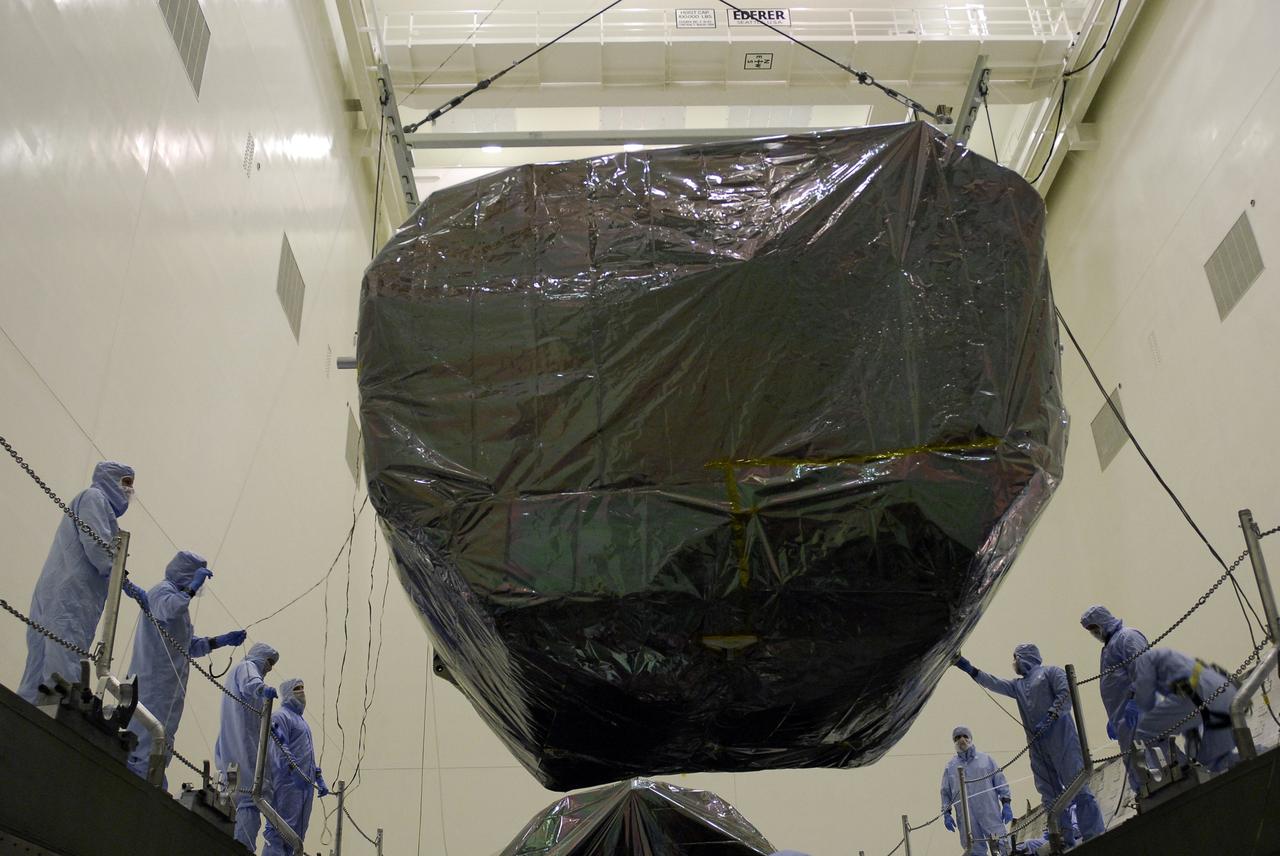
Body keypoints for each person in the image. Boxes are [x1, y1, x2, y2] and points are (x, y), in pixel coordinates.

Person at [17, 461, 150, 702]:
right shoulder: (94, 499)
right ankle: (61, 707)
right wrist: (121, 578)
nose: (130, 490)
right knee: (63, 649)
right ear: (110, 479)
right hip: (72, 595)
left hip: (58, 591)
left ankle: (27, 706)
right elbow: (97, 548)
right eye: (126, 483)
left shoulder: (98, 506)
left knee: (41, 660)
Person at [953, 644, 1106, 846]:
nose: (1014, 663)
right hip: (1038, 747)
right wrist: (970, 669)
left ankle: (1093, 835)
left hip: (1062, 740)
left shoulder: (1052, 672)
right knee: (1050, 795)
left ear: (1024, 657)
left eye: (1015, 658)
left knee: (1076, 786)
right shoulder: (1018, 686)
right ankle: (1064, 839)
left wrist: (1051, 715)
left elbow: (1065, 695)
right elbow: (995, 683)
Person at [125, 551, 247, 784]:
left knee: (161, 739)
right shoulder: (162, 592)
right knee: (144, 738)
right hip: (152, 685)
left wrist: (222, 640)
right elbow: (169, 609)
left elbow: (189, 646)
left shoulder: (181, 608)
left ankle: (153, 775)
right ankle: (139, 778)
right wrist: (191, 589)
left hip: (169, 691)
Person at [1131, 646, 1239, 774]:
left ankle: (1181, 772)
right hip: (1221, 688)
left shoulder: (1142, 660)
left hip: (1194, 694)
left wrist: (1133, 697)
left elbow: (1145, 699)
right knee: (1215, 759)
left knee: (1145, 732)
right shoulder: (1163, 654)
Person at [216, 642, 279, 852]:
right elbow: (251, 683)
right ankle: (243, 848)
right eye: (269, 662)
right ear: (259, 656)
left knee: (238, 797)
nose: (269, 668)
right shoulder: (247, 668)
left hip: (236, 747)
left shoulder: (239, 673)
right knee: (251, 799)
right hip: (245, 748)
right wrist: (262, 689)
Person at [1080, 605, 1148, 792]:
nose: (1094, 633)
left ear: (1103, 621)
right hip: (1125, 722)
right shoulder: (1109, 647)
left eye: (1094, 628)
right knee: (1138, 769)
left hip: (1141, 716)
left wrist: (1135, 703)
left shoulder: (1127, 637)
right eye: (1090, 631)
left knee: (1156, 762)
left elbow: (1143, 670)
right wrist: (1114, 720)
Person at [263, 678, 329, 856]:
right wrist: (292, 771)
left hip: (304, 787)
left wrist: (318, 777)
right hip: (287, 784)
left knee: (296, 835)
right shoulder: (281, 716)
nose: (301, 692)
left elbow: (306, 755)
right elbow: (278, 747)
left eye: (302, 688)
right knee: (279, 829)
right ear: (287, 693)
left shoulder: (302, 722)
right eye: (296, 689)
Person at [941, 725, 1012, 855]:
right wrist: (946, 814)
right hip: (967, 818)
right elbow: (945, 792)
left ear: (971, 738)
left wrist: (1006, 803)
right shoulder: (950, 767)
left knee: (1002, 844)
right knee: (973, 849)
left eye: (965, 736)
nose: (961, 740)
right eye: (957, 738)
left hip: (988, 812)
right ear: (954, 741)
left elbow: (1000, 781)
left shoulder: (986, 760)